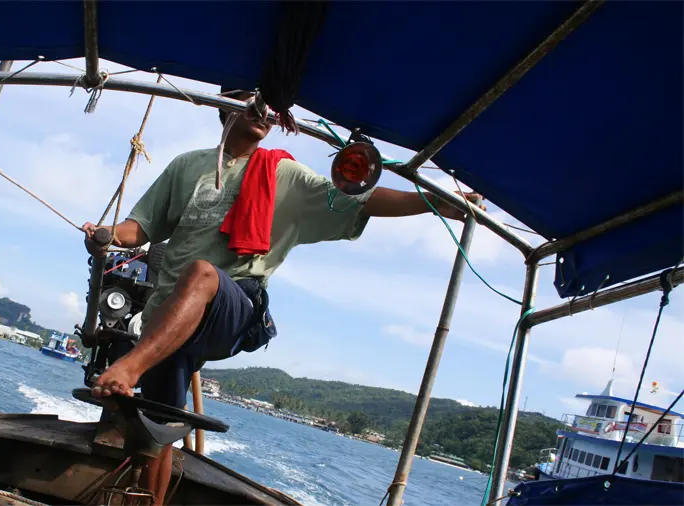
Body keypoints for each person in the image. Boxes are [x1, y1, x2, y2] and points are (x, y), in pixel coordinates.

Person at [82, 89, 481, 503]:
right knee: (157, 430)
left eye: (270, 104)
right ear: (226, 105)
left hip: (234, 304)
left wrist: (436, 202)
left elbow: (362, 199)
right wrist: (107, 236)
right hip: (168, 319)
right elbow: (140, 227)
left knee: (202, 273)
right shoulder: (187, 166)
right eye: (250, 98)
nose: (263, 109)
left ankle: (129, 368)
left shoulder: (283, 174)